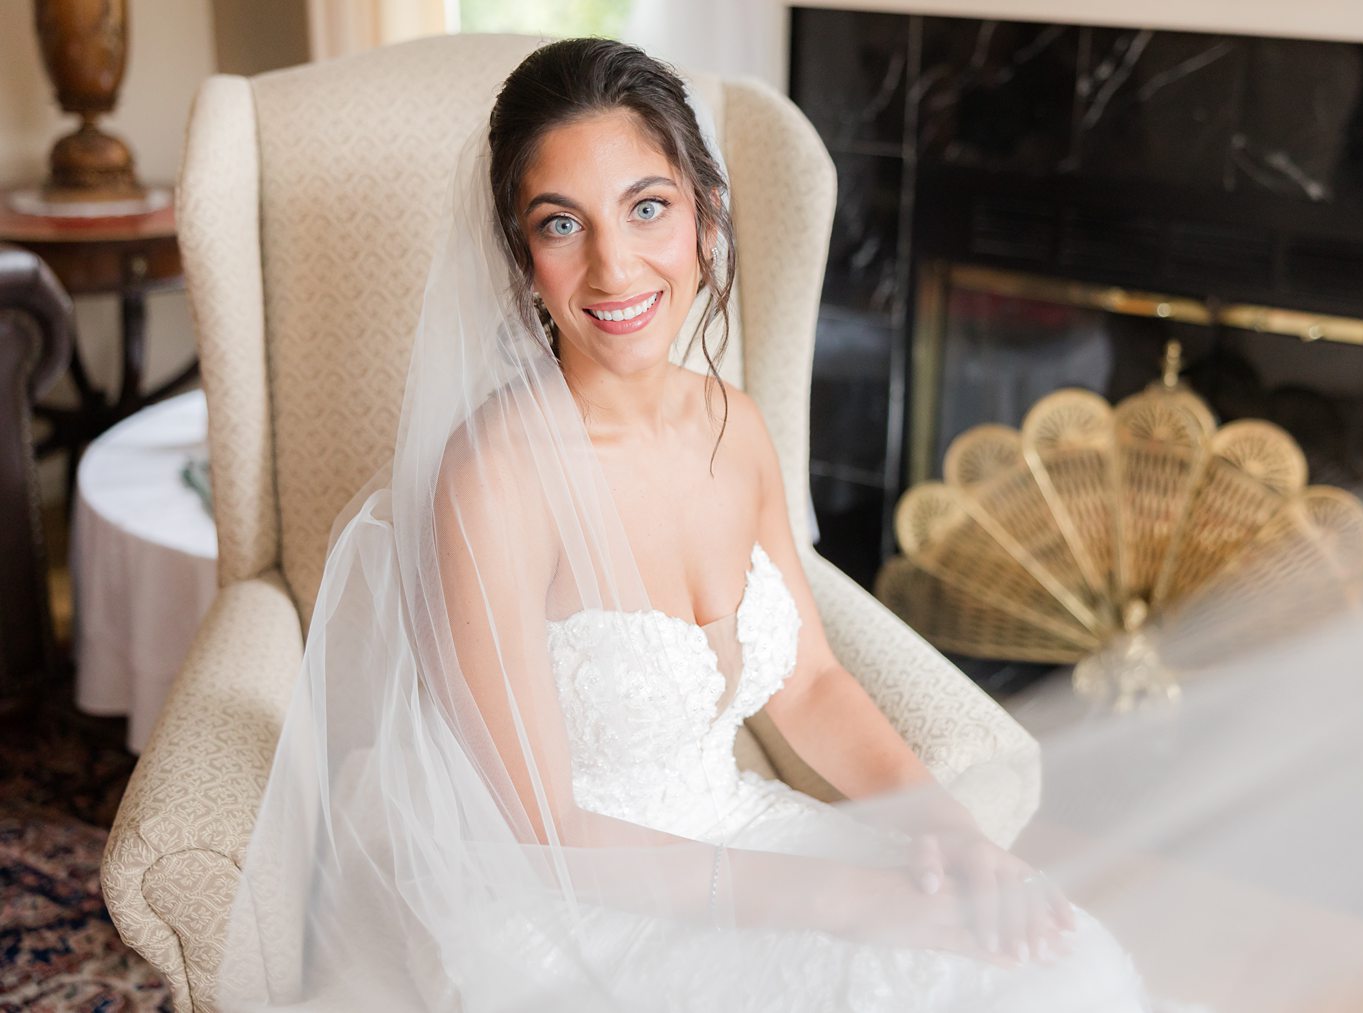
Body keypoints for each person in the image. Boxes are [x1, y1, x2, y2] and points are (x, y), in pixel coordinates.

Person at [217, 38, 1172, 1011]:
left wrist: (945, 829)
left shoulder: (735, 424)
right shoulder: (495, 479)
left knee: (1060, 968)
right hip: (576, 896)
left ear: (705, 217)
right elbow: (542, 830)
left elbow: (807, 681)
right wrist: (846, 898)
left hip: (741, 830)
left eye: (646, 207)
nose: (611, 266)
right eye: (560, 224)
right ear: (520, 258)